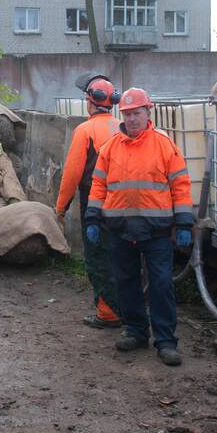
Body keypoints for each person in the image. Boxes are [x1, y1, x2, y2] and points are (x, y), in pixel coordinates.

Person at [85, 88, 193, 366]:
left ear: (148, 112)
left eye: (137, 113)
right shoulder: (110, 148)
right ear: (121, 115)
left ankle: (166, 341)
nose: (132, 119)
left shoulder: (164, 145)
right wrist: (92, 219)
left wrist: (183, 223)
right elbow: (98, 186)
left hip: (156, 232)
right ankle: (135, 331)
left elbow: (180, 186)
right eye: (128, 114)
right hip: (119, 230)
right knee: (126, 283)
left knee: (161, 285)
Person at [55, 76, 123, 329]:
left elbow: (72, 175)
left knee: (98, 257)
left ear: (89, 102)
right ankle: (128, 307)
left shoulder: (85, 130)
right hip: (124, 203)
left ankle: (108, 313)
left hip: (95, 204)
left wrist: (60, 207)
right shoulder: (122, 127)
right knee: (122, 257)